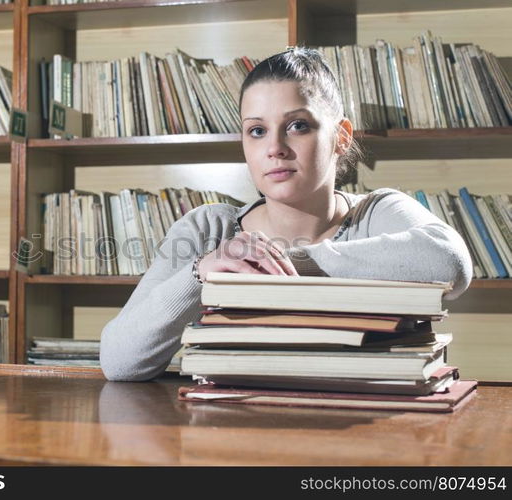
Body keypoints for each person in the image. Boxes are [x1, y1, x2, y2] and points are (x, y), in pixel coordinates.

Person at [100, 47, 473, 382]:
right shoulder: (208, 229)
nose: (275, 148)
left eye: (298, 125)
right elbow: (119, 363)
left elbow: (449, 261)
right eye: (257, 130)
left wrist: (281, 265)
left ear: (341, 136)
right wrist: (201, 275)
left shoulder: (377, 214)